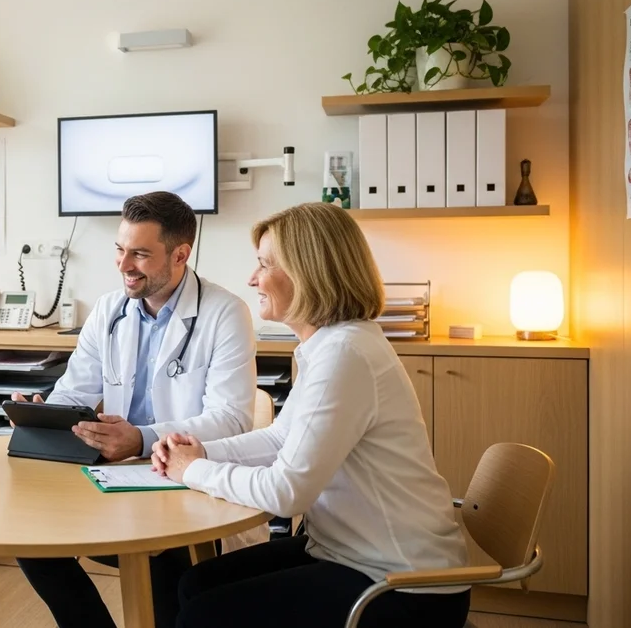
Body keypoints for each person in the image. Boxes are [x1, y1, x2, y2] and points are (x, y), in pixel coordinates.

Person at [153, 202, 470, 628]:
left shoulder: (345, 354)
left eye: (264, 265)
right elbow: (278, 439)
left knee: (202, 615)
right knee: (194, 584)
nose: (252, 278)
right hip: (349, 552)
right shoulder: (330, 346)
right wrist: (202, 451)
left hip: (403, 583)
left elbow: (287, 493)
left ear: (307, 272)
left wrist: (192, 470)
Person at [12, 191, 258, 628]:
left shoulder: (225, 313)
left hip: (184, 484)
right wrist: (45, 413)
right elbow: (76, 392)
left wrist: (141, 438)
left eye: (140, 254)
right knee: (30, 538)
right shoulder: (110, 310)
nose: (124, 265)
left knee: (165, 571)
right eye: (120, 250)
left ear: (180, 254)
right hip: (112, 480)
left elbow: (232, 419)